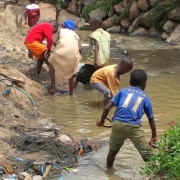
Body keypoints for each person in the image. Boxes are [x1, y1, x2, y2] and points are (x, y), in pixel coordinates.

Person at [96, 69, 157, 168]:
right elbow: (151, 118)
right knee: (147, 155)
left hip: (117, 123)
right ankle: (155, 174)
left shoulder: (122, 91)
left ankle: (109, 172)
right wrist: (154, 135)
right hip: (134, 127)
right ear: (145, 84)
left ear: (129, 82)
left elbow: (107, 107)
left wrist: (101, 121)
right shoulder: (145, 97)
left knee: (112, 151)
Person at [74, 17, 110, 87]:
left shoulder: (93, 35)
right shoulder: (107, 34)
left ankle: (72, 89)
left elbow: (96, 48)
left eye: (91, 25)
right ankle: (90, 88)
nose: (90, 27)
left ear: (96, 25)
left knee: (80, 74)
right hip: (105, 60)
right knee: (97, 76)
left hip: (94, 60)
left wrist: (95, 61)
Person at [24, 20, 58, 94]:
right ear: (54, 27)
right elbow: (49, 39)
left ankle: (36, 77)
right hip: (32, 42)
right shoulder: (48, 26)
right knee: (50, 63)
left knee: (40, 59)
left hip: (31, 42)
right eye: (53, 32)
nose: (52, 33)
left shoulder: (43, 25)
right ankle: (53, 86)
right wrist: (48, 51)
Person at [49, 19, 82, 95]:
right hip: (73, 54)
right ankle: (71, 93)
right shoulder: (75, 35)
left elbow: (53, 41)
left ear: (64, 26)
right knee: (71, 73)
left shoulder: (61, 31)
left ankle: (53, 86)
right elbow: (80, 49)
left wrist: (59, 46)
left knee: (51, 64)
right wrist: (78, 58)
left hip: (61, 51)